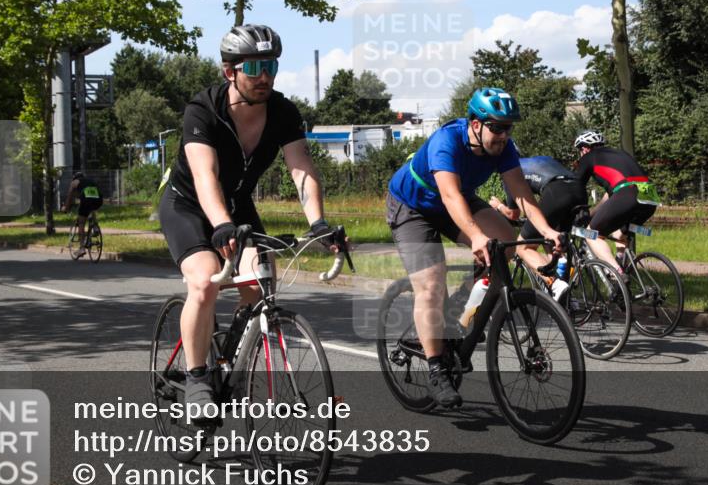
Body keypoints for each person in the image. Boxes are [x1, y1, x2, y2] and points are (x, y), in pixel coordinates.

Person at [159, 24, 341, 412]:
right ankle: (196, 379)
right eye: (255, 66)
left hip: (238, 207)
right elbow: (205, 176)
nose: (264, 77)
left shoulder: (283, 112)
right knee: (206, 283)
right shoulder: (203, 109)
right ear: (230, 71)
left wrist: (319, 223)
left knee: (261, 283)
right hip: (189, 205)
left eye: (271, 67)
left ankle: (233, 354)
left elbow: (301, 169)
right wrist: (222, 225)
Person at [386, 87, 564, 408]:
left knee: (505, 244)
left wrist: (548, 231)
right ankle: (438, 369)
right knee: (431, 283)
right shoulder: (447, 141)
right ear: (475, 123)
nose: (503, 134)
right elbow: (450, 197)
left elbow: (522, 194)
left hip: (456, 198)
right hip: (413, 205)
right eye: (496, 126)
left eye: (508, 127)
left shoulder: (504, 148)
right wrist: (475, 236)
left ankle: (457, 310)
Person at [489, 155, 588, 291]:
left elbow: (513, 214)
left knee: (523, 247)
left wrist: (498, 205)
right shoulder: (537, 160)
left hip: (557, 192)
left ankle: (555, 284)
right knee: (554, 240)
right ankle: (566, 294)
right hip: (579, 189)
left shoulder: (510, 172)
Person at [572, 130, 660, 273]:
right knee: (619, 233)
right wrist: (593, 213)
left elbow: (576, 187)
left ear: (585, 148)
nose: (580, 154)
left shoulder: (588, 157)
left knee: (592, 233)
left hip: (627, 193)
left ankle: (616, 273)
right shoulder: (619, 154)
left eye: (579, 150)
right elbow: (611, 195)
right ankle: (621, 264)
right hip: (650, 195)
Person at [62, 172, 103, 258]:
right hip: (98, 198)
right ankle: (95, 226)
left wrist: (65, 208)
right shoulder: (90, 180)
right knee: (92, 208)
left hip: (86, 198)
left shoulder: (74, 182)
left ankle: (82, 248)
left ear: (74, 178)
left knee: (81, 222)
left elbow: (69, 197)